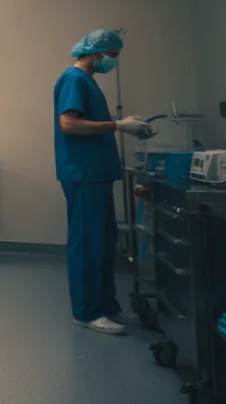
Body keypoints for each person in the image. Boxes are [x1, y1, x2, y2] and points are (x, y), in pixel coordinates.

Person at [54, 29, 155, 335]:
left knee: (103, 242)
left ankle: (107, 307)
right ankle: (86, 312)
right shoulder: (74, 79)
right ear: (96, 52)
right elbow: (68, 124)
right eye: (112, 56)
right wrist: (119, 125)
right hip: (83, 173)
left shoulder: (88, 81)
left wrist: (127, 124)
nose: (113, 62)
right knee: (88, 244)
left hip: (95, 174)